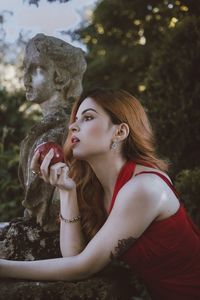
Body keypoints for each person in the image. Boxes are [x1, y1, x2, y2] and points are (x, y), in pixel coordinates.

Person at [1, 88, 200, 300]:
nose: (72, 126)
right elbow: (73, 255)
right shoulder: (95, 187)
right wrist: (67, 191)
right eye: (75, 119)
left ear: (120, 132)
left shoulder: (143, 188)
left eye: (87, 117)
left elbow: (82, 267)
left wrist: (3, 268)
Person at [18, 33, 86, 230]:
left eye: (36, 69)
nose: (26, 78)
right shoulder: (44, 130)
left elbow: (53, 211)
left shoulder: (65, 132)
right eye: (25, 68)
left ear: (61, 77)